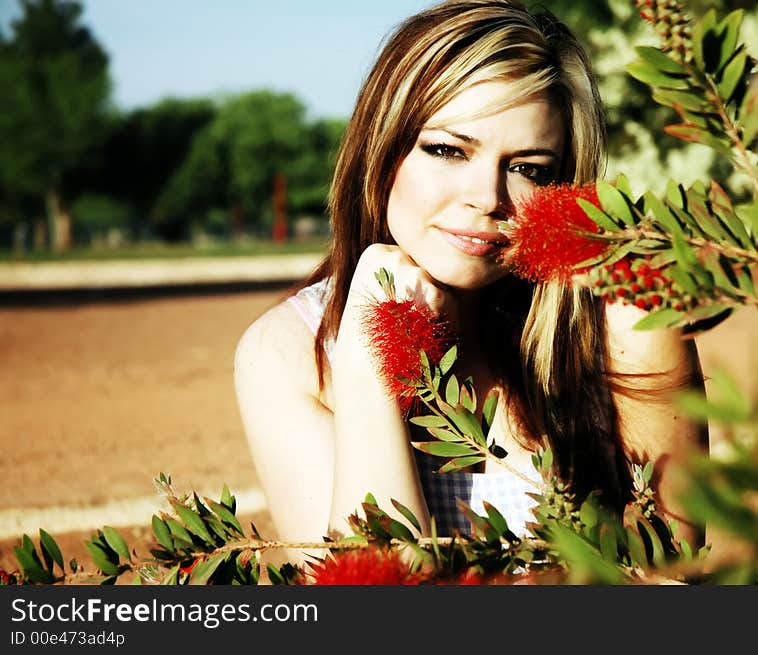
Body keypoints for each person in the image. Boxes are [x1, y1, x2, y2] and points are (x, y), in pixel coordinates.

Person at [233, 0, 708, 564]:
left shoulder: (619, 317)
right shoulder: (288, 351)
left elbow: (673, 570)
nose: (487, 198)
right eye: (447, 150)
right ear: (380, 150)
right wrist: (369, 364)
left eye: (528, 168)